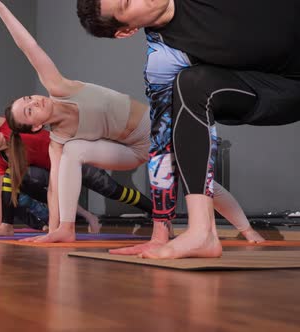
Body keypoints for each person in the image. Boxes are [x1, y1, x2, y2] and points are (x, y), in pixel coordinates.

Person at [0, 0, 265, 244]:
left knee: (203, 181)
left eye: (28, 98)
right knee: (72, 151)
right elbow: (55, 187)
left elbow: (30, 47)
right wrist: (54, 227)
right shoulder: (59, 139)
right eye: (28, 111)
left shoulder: (59, 86)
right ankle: (64, 230)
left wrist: (1, 7)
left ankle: (247, 230)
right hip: (129, 152)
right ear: (37, 127)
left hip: (153, 132)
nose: (34, 102)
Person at [77, 0, 296, 258]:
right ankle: (202, 233)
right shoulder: (165, 56)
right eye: (126, 3)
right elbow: (161, 142)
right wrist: (160, 234)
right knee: (191, 85)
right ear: (126, 31)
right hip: (287, 87)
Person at [0, 113, 152, 237]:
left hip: (73, 156)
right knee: (11, 180)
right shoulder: (2, 161)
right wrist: (1, 225)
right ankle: (13, 225)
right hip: (58, 171)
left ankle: (155, 210)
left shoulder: (8, 128)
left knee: (113, 190)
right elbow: (0, 194)